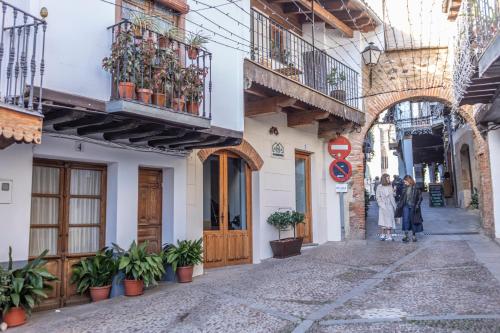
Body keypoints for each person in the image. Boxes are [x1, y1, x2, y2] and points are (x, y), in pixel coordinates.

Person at [396, 175, 423, 242]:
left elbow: (420, 198)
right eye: (404, 182)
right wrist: (399, 205)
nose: (405, 183)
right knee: (405, 220)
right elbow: (402, 197)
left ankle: (414, 235)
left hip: (413, 206)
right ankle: (406, 235)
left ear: (409, 181)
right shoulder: (404, 188)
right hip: (406, 206)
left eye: (405, 182)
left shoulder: (416, 187)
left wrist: (417, 205)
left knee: (413, 220)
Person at [376, 174, 396, 241]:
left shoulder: (390, 186)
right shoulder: (379, 187)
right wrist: (381, 204)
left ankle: (389, 235)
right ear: (384, 179)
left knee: (390, 220)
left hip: (390, 205)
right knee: (383, 221)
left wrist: (395, 206)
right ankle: (382, 234)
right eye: (387, 178)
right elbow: (377, 196)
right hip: (383, 206)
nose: (389, 179)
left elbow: (392, 196)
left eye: (389, 178)